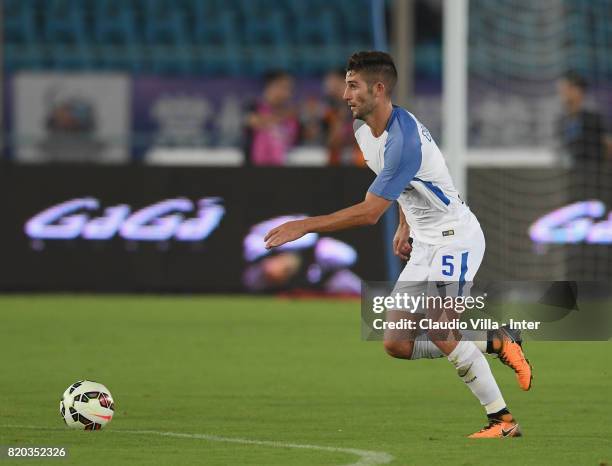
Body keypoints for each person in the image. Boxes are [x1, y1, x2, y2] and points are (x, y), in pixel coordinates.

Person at [264, 51, 532, 438]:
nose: (344, 94)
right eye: (345, 84)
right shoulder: (363, 132)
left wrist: (306, 225)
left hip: (455, 240)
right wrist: (405, 224)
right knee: (396, 343)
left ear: (378, 88)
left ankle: (502, 421)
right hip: (424, 242)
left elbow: (371, 212)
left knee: (441, 330)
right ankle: (497, 339)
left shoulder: (403, 139)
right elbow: (408, 186)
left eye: (352, 85)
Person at [556, 71, 610, 202]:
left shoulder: (593, 118)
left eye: (566, 88)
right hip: (573, 181)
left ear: (577, 91)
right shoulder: (562, 121)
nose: (562, 93)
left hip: (595, 180)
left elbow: (608, 145)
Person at [244, 70, 299, 166]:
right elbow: (253, 122)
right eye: (285, 88)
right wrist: (283, 115)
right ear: (271, 86)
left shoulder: (292, 116)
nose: (288, 93)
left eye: (290, 89)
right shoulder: (254, 106)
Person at [321, 68, 365, 166]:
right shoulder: (329, 113)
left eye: (336, 87)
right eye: (330, 87)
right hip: (335, 165)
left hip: (361, 165)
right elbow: (331, 143)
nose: (331, 91)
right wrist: (339, 120)